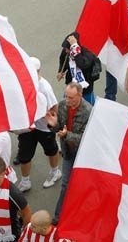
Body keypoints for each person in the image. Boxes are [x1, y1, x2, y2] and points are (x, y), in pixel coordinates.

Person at [46, 82, 92, 225]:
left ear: (80, 94)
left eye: (71, 97)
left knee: (83, 185)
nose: (67, 100)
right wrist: (53, 125)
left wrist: (67, 135)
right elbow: (60, 128)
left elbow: (87, 138)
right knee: (66, 184)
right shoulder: (63, 105)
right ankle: (58, 218)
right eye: (66, 96)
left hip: (83, 154)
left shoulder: (88, 111)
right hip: (68, 152)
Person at [16, 57, 62, 193]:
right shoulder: (23, 82)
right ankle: (25, 181)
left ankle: (55, 172)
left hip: (43, 127)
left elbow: (54, 106)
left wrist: (55, 125)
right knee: (24, 154)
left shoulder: (45, 88)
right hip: (28, 126)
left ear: (37, 71)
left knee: (51, 150)